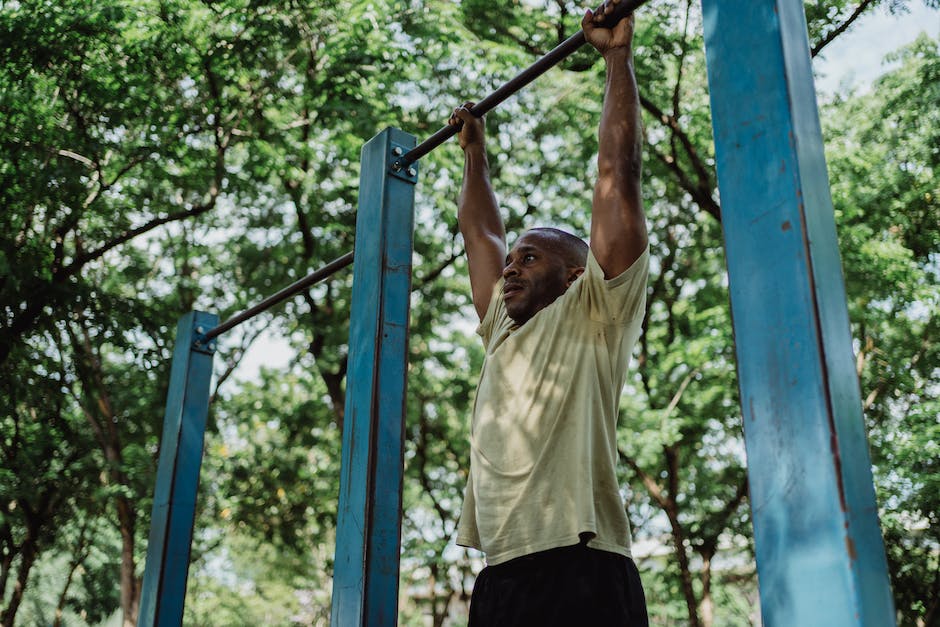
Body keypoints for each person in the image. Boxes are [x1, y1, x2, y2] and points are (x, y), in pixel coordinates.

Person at [447, 1, 650, 624]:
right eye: (514, 260)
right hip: (502, 574)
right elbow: (480, 236)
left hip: (580, 565)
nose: (510, 268)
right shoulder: (502, 330)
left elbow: (619, 172)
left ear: (572, 276)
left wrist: (616, 58)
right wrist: (474, 157)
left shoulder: (596, 307)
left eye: (529, 259)